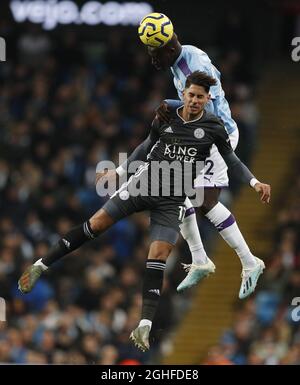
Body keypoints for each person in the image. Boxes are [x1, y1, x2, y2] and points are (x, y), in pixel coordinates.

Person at [18, 71, 270, 351]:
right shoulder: (166, 113)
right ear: (184, 94)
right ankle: (41, 264)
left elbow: (232, 161)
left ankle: (144, 325)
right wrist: (120, 170)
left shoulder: (213, 127)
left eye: (201, 96)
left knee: (159, 255)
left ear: (207, 99)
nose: (195, 100)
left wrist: (255, 182)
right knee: (97, 224)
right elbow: (148, 144)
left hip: (171, 201)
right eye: (191, 95)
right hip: (143, 184)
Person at [141, 26, 265, 297]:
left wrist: (172, 105)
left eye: (155, 54)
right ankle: (208, 260)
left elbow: (204, 107)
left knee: (195, 199)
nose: (152, 60)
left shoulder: (188, 68)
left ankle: (239, 261)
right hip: (202, 135)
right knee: (189, 198)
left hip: (215, 135)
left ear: (169, 49)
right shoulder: (185, 57)